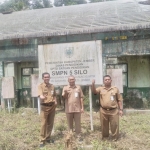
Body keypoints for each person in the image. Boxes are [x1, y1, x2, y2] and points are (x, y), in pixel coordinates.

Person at [91, 75, 123, 140]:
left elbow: (119, 99)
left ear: (111, 80)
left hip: (113, 111)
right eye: (105, 80)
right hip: (103, 110)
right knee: (104, 125)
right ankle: (105, 137)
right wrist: (93, 84)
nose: (107, 80)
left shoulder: (115, 89)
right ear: (103, 81)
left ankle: (115, 138)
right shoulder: (100, 88)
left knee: (114, 125)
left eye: (108, 79)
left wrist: (121, 109)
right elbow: (94, 91)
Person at [38, 72, 57, 147]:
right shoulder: (40, 86)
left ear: (49, 78)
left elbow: (54, 95)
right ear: (43, 78)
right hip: (44, 107)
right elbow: (40, 95)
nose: (47, 78)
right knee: (43, 124)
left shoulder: (52, 86)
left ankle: (48, 138)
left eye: (48, 77)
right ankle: (42, 140)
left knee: (50, 123)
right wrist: (42, 97)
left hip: (52, 106)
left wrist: (55, 100)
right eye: (45, 77)